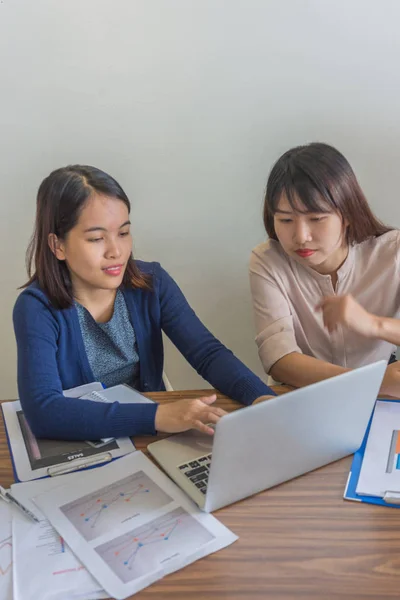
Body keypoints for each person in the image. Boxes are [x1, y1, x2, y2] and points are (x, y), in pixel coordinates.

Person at [13, 165, 274, 441]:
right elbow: (44, 411)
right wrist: (158, 416)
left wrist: (261, 398)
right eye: (96, 238)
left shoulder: (152, 283)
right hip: (88, 440)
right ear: (58, 246)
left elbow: (208, 354)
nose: (116, 251)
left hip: (149, 437)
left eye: (123, 233)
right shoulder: (36, 308)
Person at [249, 142, 400, 395]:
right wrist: (369, 383)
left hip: (380, 397)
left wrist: (372, 324)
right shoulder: (267, 261)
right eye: (285, 220)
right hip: (301, 395)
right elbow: (279, 359)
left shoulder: (392, 252)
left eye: (316, 218)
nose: (301, 236)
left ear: (348, 212)